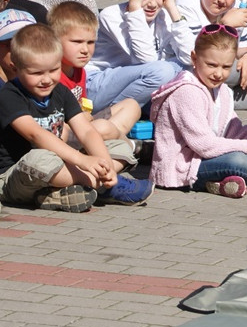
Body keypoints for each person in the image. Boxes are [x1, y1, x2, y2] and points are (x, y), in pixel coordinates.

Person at [0, 24, 153, 212]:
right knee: (39, 159)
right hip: (17, 174)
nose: (47, 79)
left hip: (61, 166)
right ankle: (100, 185)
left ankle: (64, 192)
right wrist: (84, 162)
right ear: (15, 67)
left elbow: (86, 130)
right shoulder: (9, 95)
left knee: (118, 146)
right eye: (37, 73)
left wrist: (104, 164)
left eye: (53, 70)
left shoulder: (60, 91)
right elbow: (36, 136)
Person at [149, 24, 247, 198]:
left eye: (226, 67)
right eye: (211, 65)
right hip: (184, 166)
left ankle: (223, 182)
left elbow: (234, 130)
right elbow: (204, 145)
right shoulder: (187, 91)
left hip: (207, 157)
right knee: (238, 162)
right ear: (194, 59)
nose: (218, 73)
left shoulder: (222, 90)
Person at [86, 0, 190, 110]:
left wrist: (173, 10)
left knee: (191, 67)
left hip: (138, 84)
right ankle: (112, 114)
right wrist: (134, 7)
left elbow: (191, 57)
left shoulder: (165, 14)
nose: (153, 4)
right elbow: (146, 59)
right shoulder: (111, 15)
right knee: (163, 71)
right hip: (96, 86)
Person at [49, 1, 142, 142]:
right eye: (77, 42)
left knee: (132, 105)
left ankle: (109, 141)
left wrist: (85, 115)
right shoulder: (51, 75)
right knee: (103, 127)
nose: (85, 50)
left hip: (86, 126)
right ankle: (124, 144)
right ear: (55, 40)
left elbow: (84, 105)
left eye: (90, 42)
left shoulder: (80, 71)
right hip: (65, 130)